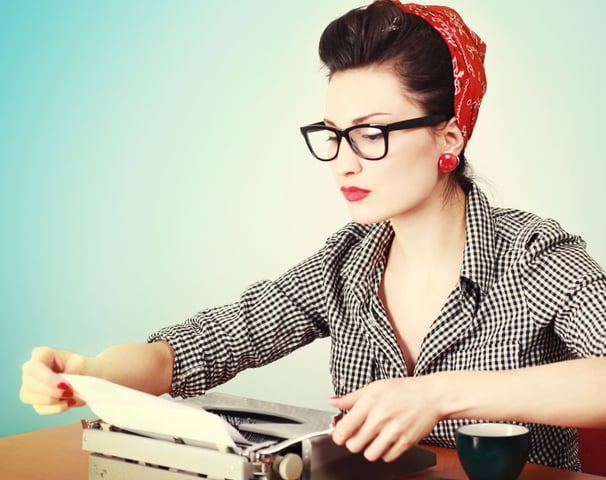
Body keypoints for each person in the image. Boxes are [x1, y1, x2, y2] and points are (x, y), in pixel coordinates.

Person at [20, 0, 606, 472]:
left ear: (448, 138)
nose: (342, 164)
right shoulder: (344, 264)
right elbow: (202, 346)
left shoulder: (533, 255)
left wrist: (441, 393)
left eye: (370, 133)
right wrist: (93, 371)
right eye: (332, 134)